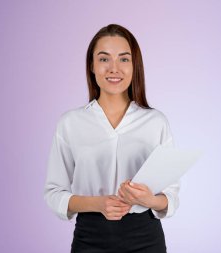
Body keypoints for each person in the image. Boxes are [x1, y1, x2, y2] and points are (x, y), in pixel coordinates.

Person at [44, 24, 179, 253]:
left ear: (134, 66)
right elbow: (54, 193)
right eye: (104, 59)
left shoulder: (156, 122)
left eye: (124, 59)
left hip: (145, 237)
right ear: (92, 66)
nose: (114, 68)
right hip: (90, 237)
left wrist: (149, 200)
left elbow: (171, 195)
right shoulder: (70, 123)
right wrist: (98, 203)